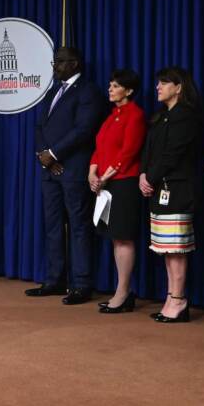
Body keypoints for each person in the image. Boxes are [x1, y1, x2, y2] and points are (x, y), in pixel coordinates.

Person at [27, 46, 105, 305]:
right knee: (52, 226)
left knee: (79, 226)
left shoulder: (88, 91)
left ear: (75, 64)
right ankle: (55, 279)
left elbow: (84, 129)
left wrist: (55, 154)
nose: (55, 66)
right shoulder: (53, 91)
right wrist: (44, 156)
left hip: (73, 169)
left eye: (60, 62)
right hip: (50, 170)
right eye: (54, 62)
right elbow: (40, 126)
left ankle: (81, 284)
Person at [140, 67, 203, 323]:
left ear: (178, 87)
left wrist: (151, 177)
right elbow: (150, 151)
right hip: (159, 188)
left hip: (176, 188)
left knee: (176, 248)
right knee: (166, 248)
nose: (158, 87)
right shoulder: (162, 117)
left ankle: (178, 300)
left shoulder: (185, 116)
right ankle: (172, 296)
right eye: (158, 83)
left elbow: (172, 154)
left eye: (164, 83)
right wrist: (143, 174)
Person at [88, 69, 146, 313]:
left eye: (115, 86)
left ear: (129, 90)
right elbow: (99, 148)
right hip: (106, 183)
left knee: (123, 237)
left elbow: (129, 152)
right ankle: (123, 290)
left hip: (124, 183)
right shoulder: (111, 116)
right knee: (115, 238)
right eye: (110, 85)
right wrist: (92, 173)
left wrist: (105, 176)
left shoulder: (136, 115)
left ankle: (123, 292)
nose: (110, 89)